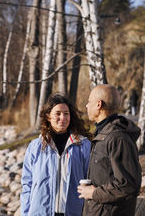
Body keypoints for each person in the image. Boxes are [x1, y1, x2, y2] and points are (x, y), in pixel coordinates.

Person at [21, 93, 91, 216]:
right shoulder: (35, 147)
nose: (62, 118)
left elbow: (90, 182)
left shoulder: (83, 146)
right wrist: (25, 213)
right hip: (40, 212)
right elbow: (27, 185)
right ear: (48, 116)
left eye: (66, 113)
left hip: (73, 212)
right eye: (57, 113)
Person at [77, 84, 142, 216]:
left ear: (99, 105)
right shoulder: (103, 133)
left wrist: (93, 193)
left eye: (89, 102)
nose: (87, 106)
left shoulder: (118, 138)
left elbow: (128, 185)